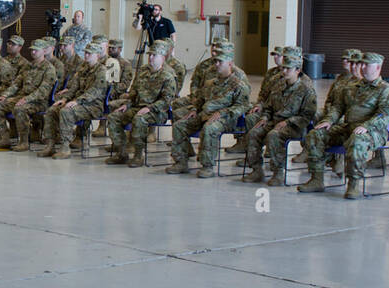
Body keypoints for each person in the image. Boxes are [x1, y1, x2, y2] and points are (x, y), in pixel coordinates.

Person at [299, 52, 389, 199]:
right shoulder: (352, 87)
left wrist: (367, 126)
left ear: (377, 68)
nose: (362, 67)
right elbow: (338, 107)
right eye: (361, 64)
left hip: (373, 131)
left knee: (357, 141)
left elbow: (384, 115)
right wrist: (329, 120)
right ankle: (317, 179)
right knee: (316, 134)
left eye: (366, 65)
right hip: (349, 127)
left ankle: (353, 184)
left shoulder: (385, 90)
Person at [167, 42, 250, 178]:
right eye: (216, 61)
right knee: (179, 125)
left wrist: (222, 113)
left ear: (229, 64)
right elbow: (201, 99)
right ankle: (181, 162)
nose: (216, 64)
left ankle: (207, 166)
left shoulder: (239, 84)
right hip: (205, 114)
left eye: (220, 62)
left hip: (225, 119)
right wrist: (194, 109)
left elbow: (242, 106)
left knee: (209, 128)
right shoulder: (211, 83)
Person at [241, 51, 317, 185]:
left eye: (288, 68)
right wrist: (264, 118)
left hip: (295, 126)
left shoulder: (306, 89)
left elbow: (307, 116)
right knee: (254, 133)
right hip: (274, 122)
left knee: (274, 135)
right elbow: (269, 107)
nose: (284, 71)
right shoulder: (278, 85)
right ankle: (257, 169)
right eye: (283, 68)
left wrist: (288, 121)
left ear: (298, 70)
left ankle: (278, 173)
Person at [105, 42, 177, 167]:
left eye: (154, 55)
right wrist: (127, 105)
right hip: (137, 107)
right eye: (150, 55)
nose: (150, 58)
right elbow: (134, 93)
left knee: (139, 120)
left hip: (157, 111)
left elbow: (166, 101)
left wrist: (149, 108)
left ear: (163, 57)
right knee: (113, 117)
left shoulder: (168, 76)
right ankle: (122, 153)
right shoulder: (144, 72)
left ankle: (138, 155)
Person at [40, 41, 108, 159]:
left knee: (66, 112)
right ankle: (50, 145)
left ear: (97, 55)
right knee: (52, 110)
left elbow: (95, 91)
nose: (86, 55)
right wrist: (65, 99)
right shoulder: (82, 69)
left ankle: (65, 147)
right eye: (86, 53)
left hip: (94, 106)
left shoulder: (102, 70)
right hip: (80, 103)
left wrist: (77, 101)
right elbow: (73, 88)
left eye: (90, 54)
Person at [0, 38, 59, 151]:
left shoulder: (49, 68)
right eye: (32, 50)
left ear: (44, 51)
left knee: (20, 108)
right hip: (23, 98)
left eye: (36, 50)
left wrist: (26, 99)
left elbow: (43, 91)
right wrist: (5, 95)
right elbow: (16, 84)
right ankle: (4, 138)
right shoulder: (28, 66)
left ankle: (23, 141)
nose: (33, 52)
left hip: (39, 101)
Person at [0, 34, 29, 147]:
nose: (9, 46)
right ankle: (2, 134)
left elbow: (19, 84)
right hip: (4, 90)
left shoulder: (24, 64)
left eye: (13, 44)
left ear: (20, 47)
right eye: (9, 43)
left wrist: (6, 93)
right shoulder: (3, 60)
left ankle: (15, 131)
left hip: (16, 93)